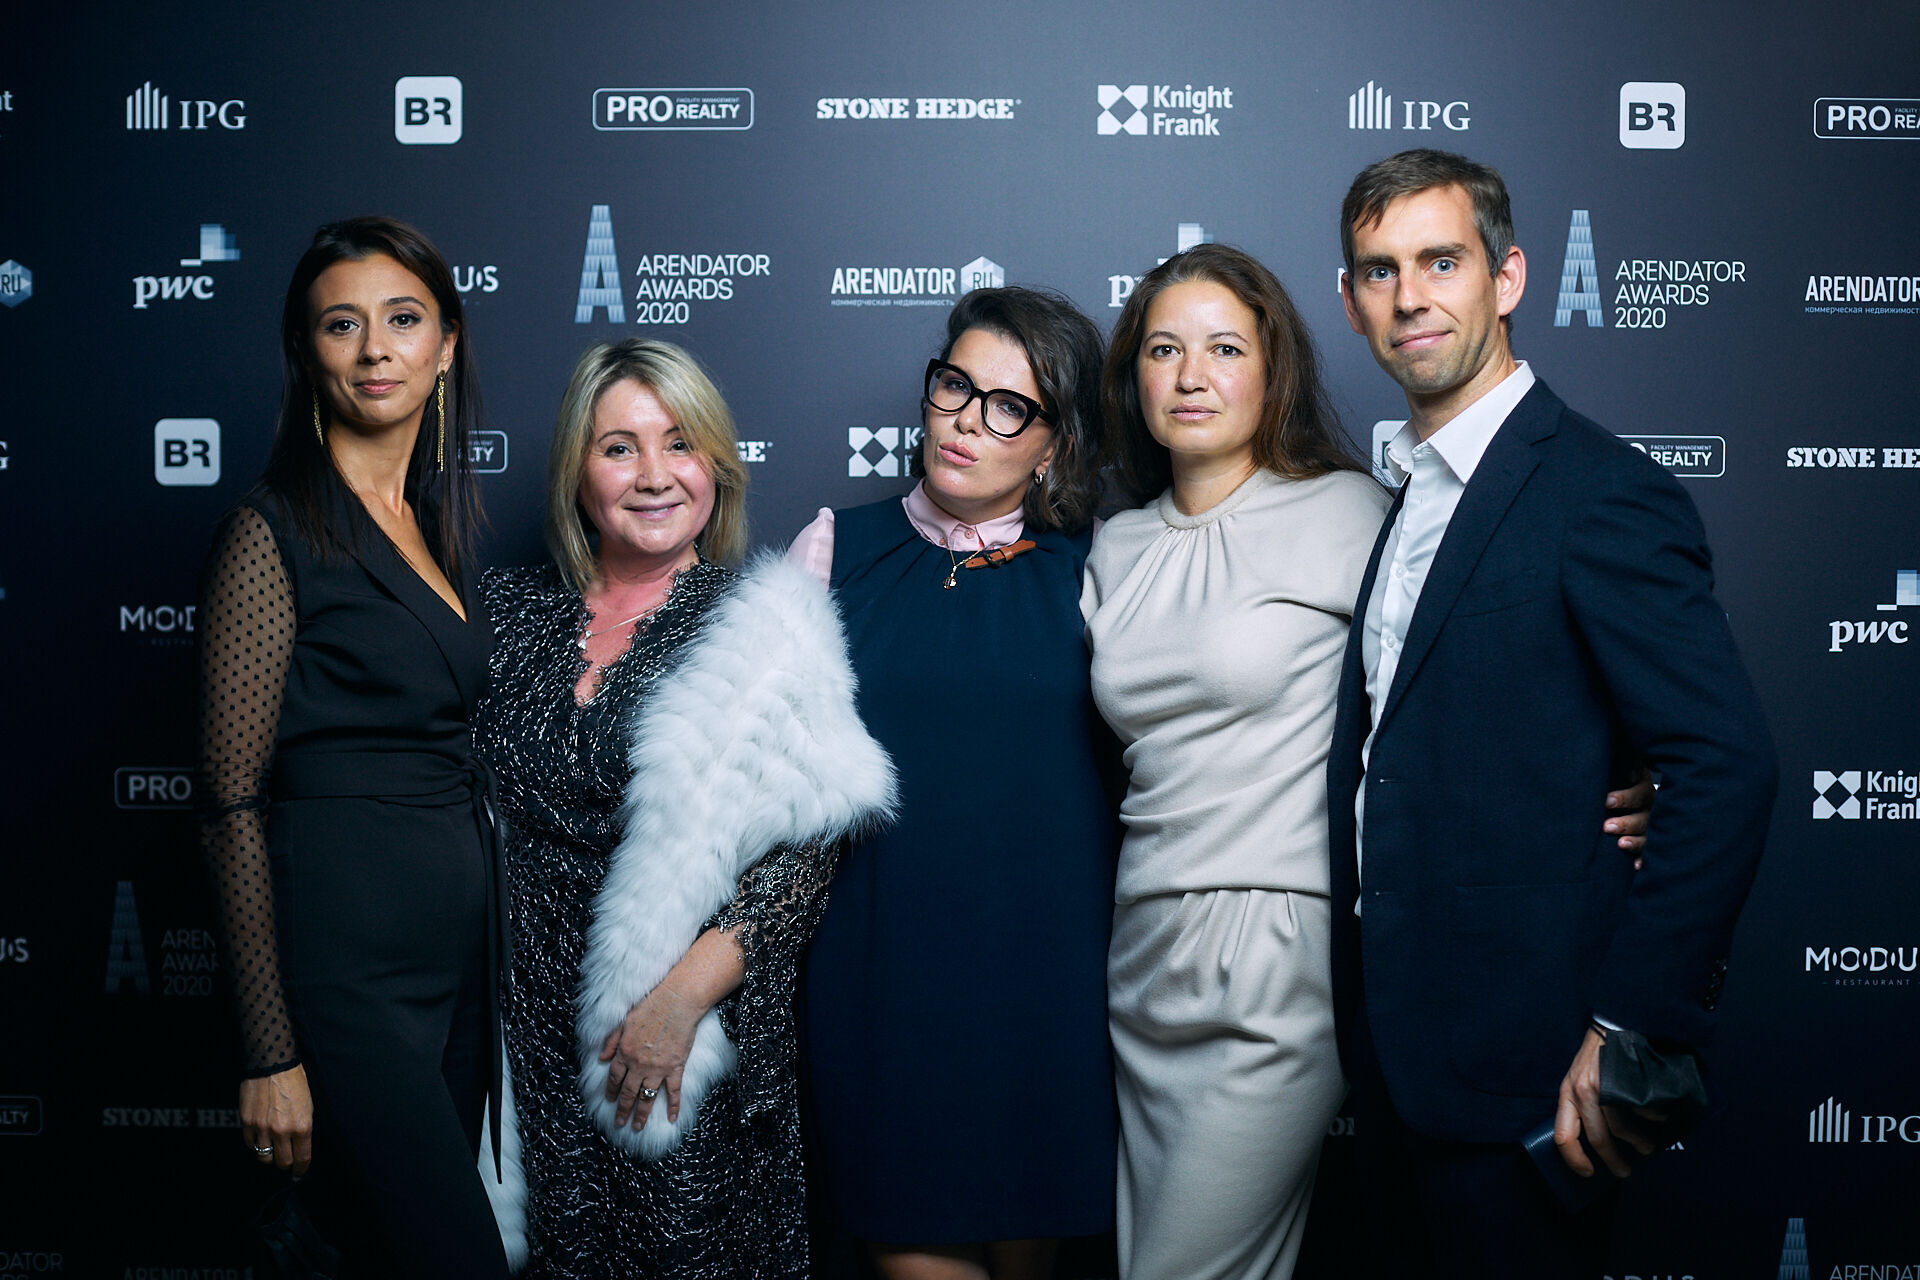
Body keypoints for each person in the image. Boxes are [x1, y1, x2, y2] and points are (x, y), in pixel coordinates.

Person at [1326, 148, 1777, 1277]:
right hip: (1392, 1067)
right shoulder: (1410, 497)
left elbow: (1724, 762)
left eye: (1441, 261)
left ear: (1510, 277)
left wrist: (1632, 1024)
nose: (1410, 296)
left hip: (1532, 1074)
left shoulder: (1598, 490)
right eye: (1380, 271)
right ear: (1351, 300)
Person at [473, 337, 893, 1279]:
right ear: (577, 470)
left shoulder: (767, 623)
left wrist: (676, 1004)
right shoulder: (503, 613)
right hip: (518, 1039)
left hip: (678, 1045)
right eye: (619, 447)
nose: (655, 475)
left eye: (680, 444)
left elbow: (805, 858)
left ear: (717, 467)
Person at [196, 216, 510, 1276]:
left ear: (447, 344)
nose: (376, 349)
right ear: (307, 352)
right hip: (345, 978)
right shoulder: (273, 529)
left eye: (403, 319)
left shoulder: (432, 523)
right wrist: (269, 1051)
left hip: (456, 973)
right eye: (342, 325)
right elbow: (230, 799)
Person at [790, 287, 1121, 1280]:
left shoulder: (1101, 571)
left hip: (1047, 995)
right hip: (883, 986)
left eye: (1009, 407)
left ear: (1056, 444)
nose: (968, 422)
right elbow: (766, 787)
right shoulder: (833, 549)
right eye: (955, 387)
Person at [1080, 243, 1385, 1280]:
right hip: (1142, 947)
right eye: (1163, 349)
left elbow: (1465, 683)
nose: (1191, 375)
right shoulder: (1116, 546)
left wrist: (1620, 771)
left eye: (1224, 348)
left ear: (1273, 368)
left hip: (1278, 951)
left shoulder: (1347, 515)